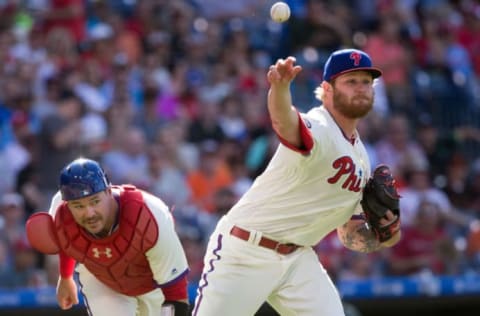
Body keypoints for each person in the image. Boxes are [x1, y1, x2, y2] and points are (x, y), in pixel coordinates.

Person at [192, 48, 401, 316]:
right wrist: (279, 89)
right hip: (246, 250)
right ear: (327, 89)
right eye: (351, 81)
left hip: (297, 259)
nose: (360, 88)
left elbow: (349, 232)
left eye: (366, 82)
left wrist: (385, 235)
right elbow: (284, 121)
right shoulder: (320, 125)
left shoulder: (361, 157)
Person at [25, 158, 190, 316]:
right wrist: (66, 276)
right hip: (101, 278)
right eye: (79, 206)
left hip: (151, 285)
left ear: (109, 192)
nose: (89, 212)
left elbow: (176, 292)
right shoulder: (61, 210)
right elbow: (67, 238)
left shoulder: (149, 218)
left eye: (95, 201)